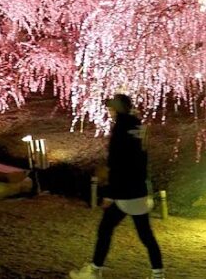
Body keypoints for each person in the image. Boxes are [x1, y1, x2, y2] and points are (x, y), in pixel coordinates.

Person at [69, 94, 163, 279]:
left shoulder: (121, 129)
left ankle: (95, 270)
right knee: (145, 235)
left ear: (117, 109)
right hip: (139, 188)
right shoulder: (139, 126)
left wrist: (110, 194)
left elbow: (117, 163)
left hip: (124, 191)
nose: (109, 112)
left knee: (105, 230)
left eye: (111, 108)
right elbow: (141, 159)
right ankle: (158, 273)